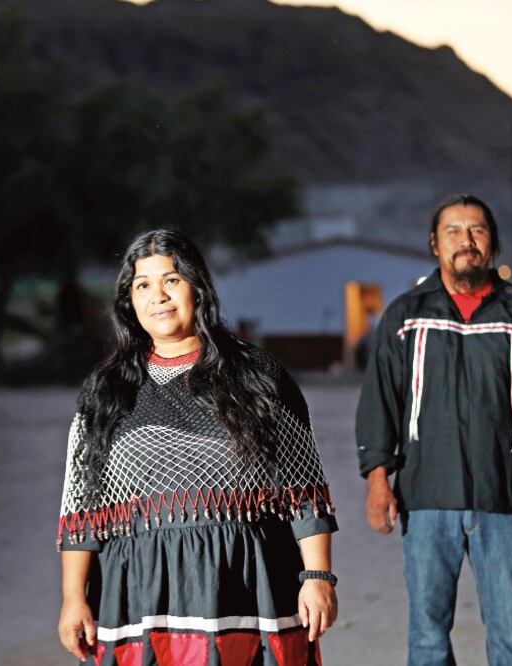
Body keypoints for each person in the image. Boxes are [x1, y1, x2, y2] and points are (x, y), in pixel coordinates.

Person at [56, 229, 338, 666]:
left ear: (198, 287)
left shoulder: (257, 373)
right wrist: (73, 599)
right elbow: (81, 509)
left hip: (247, 581)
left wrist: (317, 575)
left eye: (172, 280)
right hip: (140, 590)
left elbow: (304, 487)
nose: (159, 296)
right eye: (143, 285)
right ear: (128, 301)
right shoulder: (105, 391)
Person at [355, 194, 512, 666]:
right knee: (428, 638)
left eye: (477, 230)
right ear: (434, 244)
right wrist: (378, 482)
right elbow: (379, 403)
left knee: (511, 633)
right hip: (425, 499)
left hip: (502, 498)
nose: (466, 240)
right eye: (453, 231)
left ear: (492, 243)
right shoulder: (405, 316)